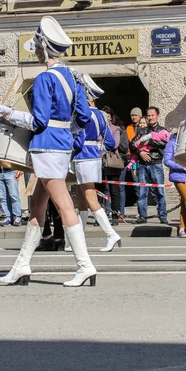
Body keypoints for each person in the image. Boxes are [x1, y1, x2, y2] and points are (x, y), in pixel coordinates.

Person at [0, 16, 95, 287]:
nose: (35, 51)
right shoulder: (72, 78)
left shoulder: (43, 79)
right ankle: (22, 265)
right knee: (37, 206)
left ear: (45, 48)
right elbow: (83, 118)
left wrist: (9, 114)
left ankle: (85, 265)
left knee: (64, 206)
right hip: (61, 145)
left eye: (37, 46)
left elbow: (37, 121)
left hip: (47, 146)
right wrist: (64, 129)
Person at [71, 75, 121, 251]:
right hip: (92, 156)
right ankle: (80, 238)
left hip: (82, 156)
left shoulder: (82, 115)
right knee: (81, 196)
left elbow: (78, 139)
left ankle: (111, 234)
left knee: (90, 197)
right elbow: (109, 142)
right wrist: (97, 150)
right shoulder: (101, 115)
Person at [131, 106, 169, 224]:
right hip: (142, 165)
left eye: (152, 115)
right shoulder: (142, 131)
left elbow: (164, 145)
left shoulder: (162, 131)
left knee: (159, 191)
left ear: (158, 116)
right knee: (142, 191)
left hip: (156, 164)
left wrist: (150, 142)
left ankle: (162, 215)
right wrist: (140, 152)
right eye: (148, 115)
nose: (150, 117)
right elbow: (132, 144)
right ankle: (142, 216)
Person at [100, 106, 127, 226]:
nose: (106, 118)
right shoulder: (97, 127)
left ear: (111, 117)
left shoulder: (115, 129)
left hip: (112, 162)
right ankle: (100, 216)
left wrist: (101, 142)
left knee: (114, 190)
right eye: (104, 116)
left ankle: (115, 215)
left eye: (108, 116)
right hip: (99, 161)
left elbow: (115, 144)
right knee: (99, 190)